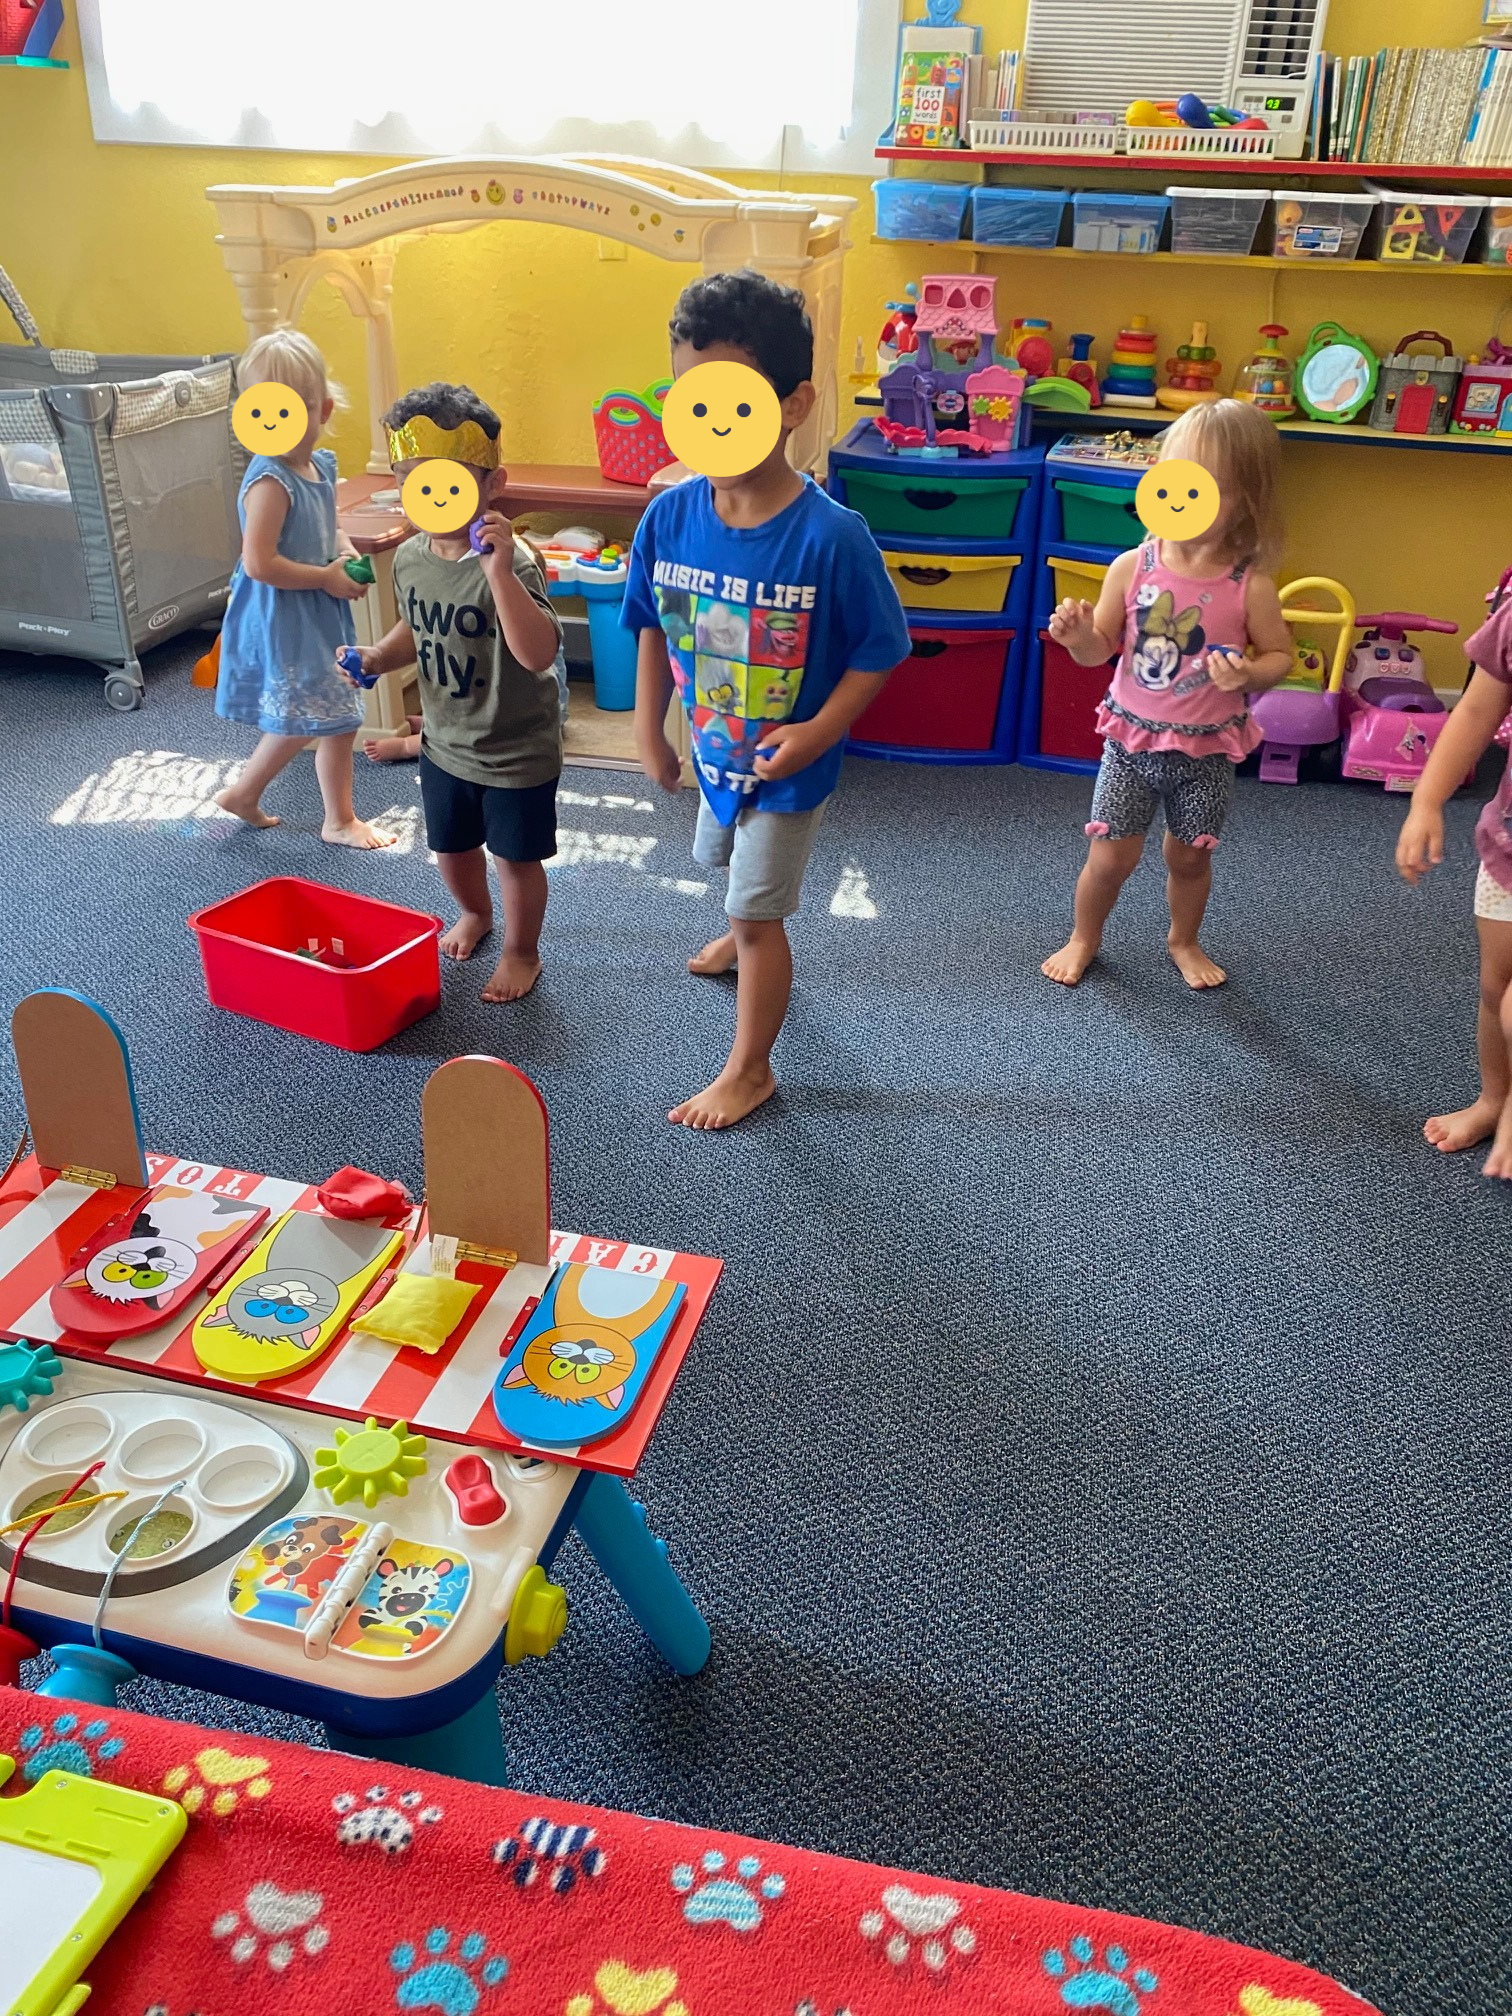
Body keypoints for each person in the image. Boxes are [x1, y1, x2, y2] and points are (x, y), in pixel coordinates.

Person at [624, 269, 910, 1130]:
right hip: (712, 751)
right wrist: (648, 729)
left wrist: (820, 732)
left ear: (790, 404)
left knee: (759, 913)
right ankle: (741, 931)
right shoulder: (668, 518)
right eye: (688, 396)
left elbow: (879, 650)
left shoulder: (832, 537)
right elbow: (646, 621)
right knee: (720, 864)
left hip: (787, 768)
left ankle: (751, 1069)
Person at [1041, 399, 1295, 990]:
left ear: (1245, 505)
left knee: (1189, 858)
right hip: (1132, 744)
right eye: (1176, 481)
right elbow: (1101, 647)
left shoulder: (1250, 587)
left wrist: (1251, 676)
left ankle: (1183, 940)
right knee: (1109, 860)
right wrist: (1079, 637)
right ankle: (1084, 937)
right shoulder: (1132, 567)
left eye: (1209, 489)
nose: (1185, 499)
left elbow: (1280, 656)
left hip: (1206, 755)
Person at [338, 383, 563, 1002]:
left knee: (516, 860)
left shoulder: (513, 563)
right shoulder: (410, 557)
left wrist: (496, 572)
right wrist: (380, 656)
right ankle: (476, 913)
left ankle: (522, 950)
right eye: (415, 480)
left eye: (450, 480)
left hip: (514, 748)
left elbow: (538, 653)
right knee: (451, 849)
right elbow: (416, 623)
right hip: (443, 743)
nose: (433, 496)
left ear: (491, 484)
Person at [214, 331, 393, 848]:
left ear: (323, 411)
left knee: (331, 709)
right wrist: (325, 577)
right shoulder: (271, 480)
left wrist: (346, 554)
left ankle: (252, 795)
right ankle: (333, 819)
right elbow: (259, 562)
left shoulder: (320, 466)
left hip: (316, 605)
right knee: (320, 711)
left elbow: (329, 528)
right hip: (284, 611)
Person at [1396, 568, 1512, 1177]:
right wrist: (1426, 801)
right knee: (1496, 988)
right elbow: (1473, 713)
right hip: (1509, 849)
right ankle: (1494, 1098)